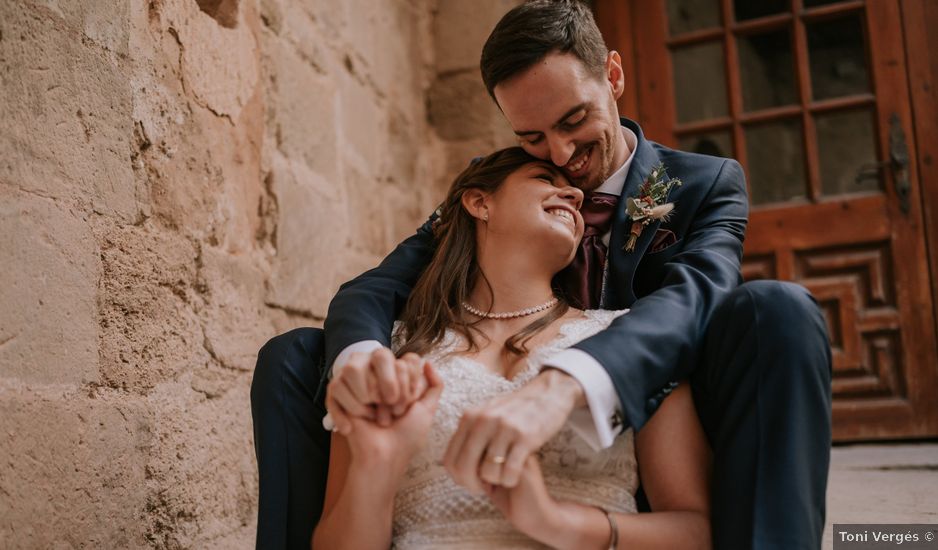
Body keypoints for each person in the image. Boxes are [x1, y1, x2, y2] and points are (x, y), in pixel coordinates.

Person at [251, 1, 832, 548]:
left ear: (614, 75)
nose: (559, 155)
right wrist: (362, 369)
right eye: (531, 137)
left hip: (660, 414)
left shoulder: (704, 184)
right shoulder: (499, 186)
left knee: (777, 311)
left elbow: (693, 302)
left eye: (574, 120)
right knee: (297, 357)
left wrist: (564, 383)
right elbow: (377, 287)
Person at [312, 147, 711, 549]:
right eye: (544, 178)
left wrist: (557, 522)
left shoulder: (629, 339)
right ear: (480, 202)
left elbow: (698, 533)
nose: (573, 197)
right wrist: (375, 466)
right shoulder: (386, 355)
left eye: (575, 193)